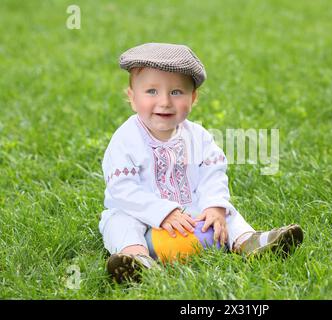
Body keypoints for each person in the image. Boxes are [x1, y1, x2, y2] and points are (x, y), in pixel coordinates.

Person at [99, 43, 304, 283]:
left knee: (227, 214)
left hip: (191, 211)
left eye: (176, 92)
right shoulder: (126, 139)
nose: (164, 101)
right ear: (132, 98)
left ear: (193, 98)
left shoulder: (198, 136)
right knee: (119, 223)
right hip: (139, 213)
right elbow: (122, 189)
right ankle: (137, 259)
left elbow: (213, 172)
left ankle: (250, 242)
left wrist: (214, 205)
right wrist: (162, 213)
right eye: (151, 91)